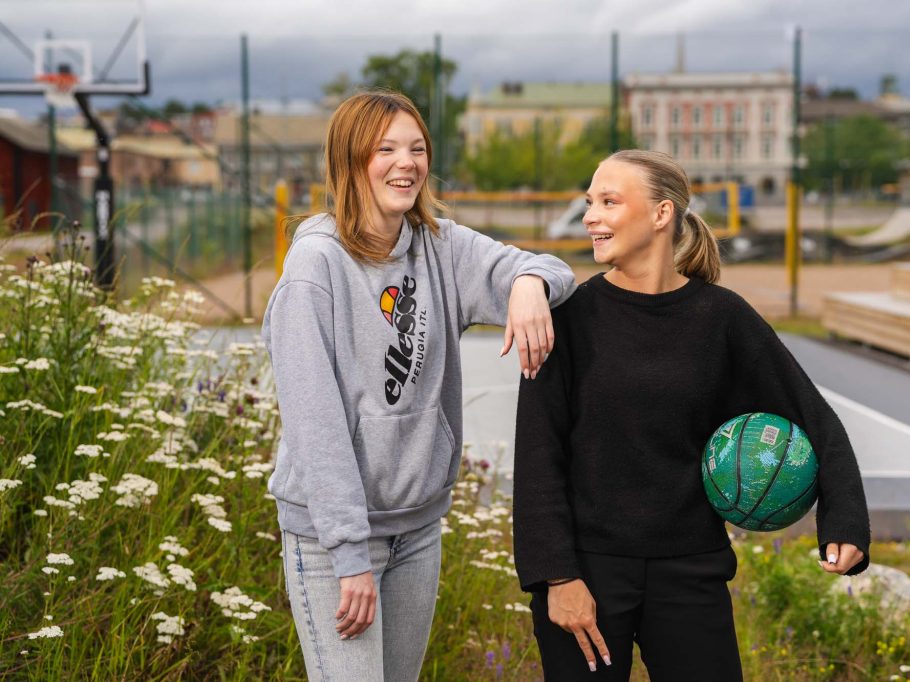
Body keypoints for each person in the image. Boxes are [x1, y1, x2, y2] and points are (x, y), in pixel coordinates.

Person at [513, 149, 870, 681]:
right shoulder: (567, 319)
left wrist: (843, 518)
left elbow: (811, 415)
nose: (590, 216)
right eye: (590, 202)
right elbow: (537, 458)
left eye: (609, 201)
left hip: (690, 570)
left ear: (661, 214)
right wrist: (556, 578)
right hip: (586, 574)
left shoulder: (721, 318)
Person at [262, 89, 576, 682]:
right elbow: (315, 424)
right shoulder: (314, 269)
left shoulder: (439, 245)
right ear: (349, 162)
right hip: (334, 545)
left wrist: (529, 284)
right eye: (386, 149)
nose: (406, 162)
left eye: (417, 148)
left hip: (417, 530)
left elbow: (555, 269)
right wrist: (350, 553)